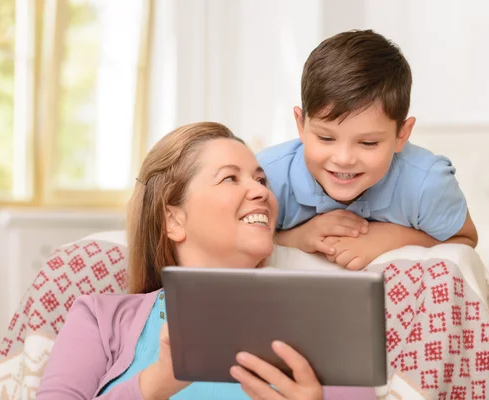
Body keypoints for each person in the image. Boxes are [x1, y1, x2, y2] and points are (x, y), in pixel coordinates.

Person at [36, 122, 374, 400]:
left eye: (260, 180)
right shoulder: (99, 320)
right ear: (173, 220)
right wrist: (154, 385)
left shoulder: (323, 326)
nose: (261, 193)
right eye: (230, 178)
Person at [256, 30, 478, 270]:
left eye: (368, 143)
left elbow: (465, 241)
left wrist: (391, 238)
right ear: (301, 125)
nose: (343, 159)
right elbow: (229, 243)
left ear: (401, 135)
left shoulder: (427, 183)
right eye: (326, 138)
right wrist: (296, 238)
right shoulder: (267, 176)